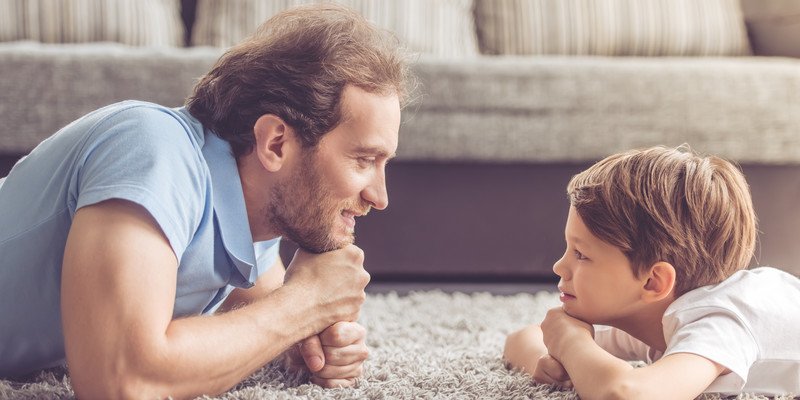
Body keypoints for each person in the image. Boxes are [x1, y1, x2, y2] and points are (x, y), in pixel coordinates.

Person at [0, 4, 412, 398]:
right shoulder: (152, 150)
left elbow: (265, 320)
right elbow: (120, 379)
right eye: (363, 160)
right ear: (276, 142)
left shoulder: (256, 218)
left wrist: (309, 342)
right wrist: (304, 305)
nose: (380, 197)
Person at [504, 146, 800, 398]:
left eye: (581, 254)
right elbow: (521, 338)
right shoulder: (651, 315)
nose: (559, 266)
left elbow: (627, 393)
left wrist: (571, 343)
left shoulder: (717, 322)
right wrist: (544, 361)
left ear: (653, 282)